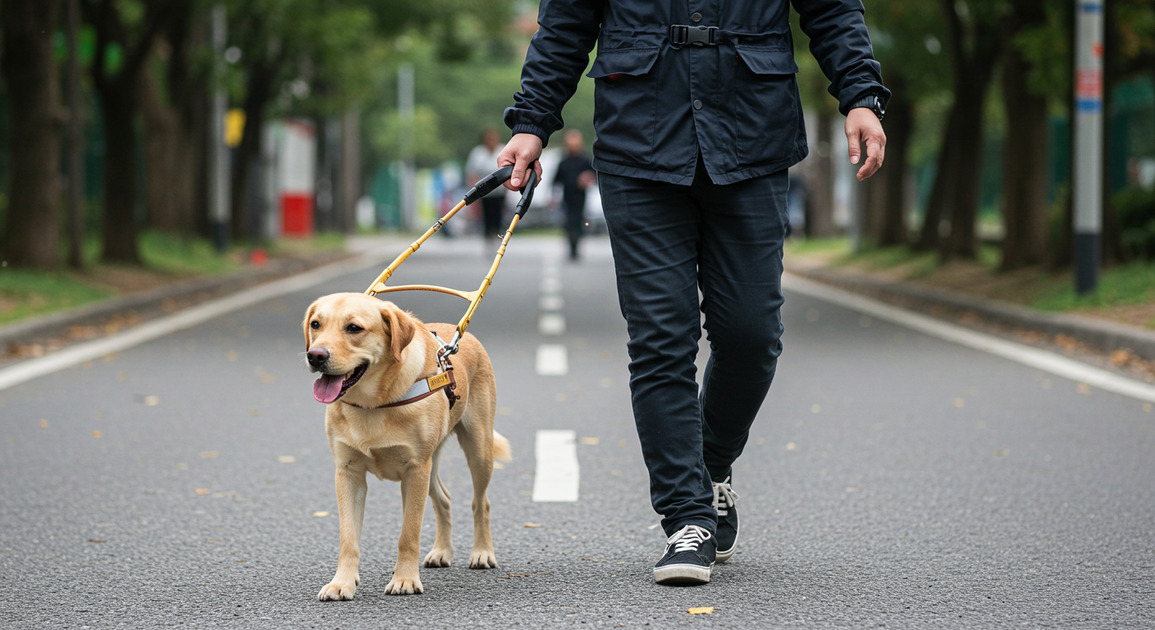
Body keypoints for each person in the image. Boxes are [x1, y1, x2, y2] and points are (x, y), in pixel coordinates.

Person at [499, 1, 888, 586]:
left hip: (752, 134)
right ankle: (687, 518)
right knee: (661, 339)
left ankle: (710, 463)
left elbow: (831, 8)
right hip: (639, 141)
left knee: (752, 335)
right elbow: (565, 25)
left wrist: (861, 94)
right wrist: (532, 122)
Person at [553, 129, 596, 260]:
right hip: (567, 197)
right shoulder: (563, 161)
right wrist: (553, 197)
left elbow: (594, 174)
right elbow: (556, 181)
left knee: (578, 222)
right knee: (568, 223)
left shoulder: (585, 159)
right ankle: (571, 247)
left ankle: (576, 247)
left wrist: (587, 178)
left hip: (580, 196)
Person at [465, 128, 507, 245]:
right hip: (484, 191)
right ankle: (488, 235)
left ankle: (498, 234)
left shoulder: (503, 149)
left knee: (498, 213)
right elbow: (472, 172)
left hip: (499, 191)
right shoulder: (478, 153)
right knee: (486, 214)